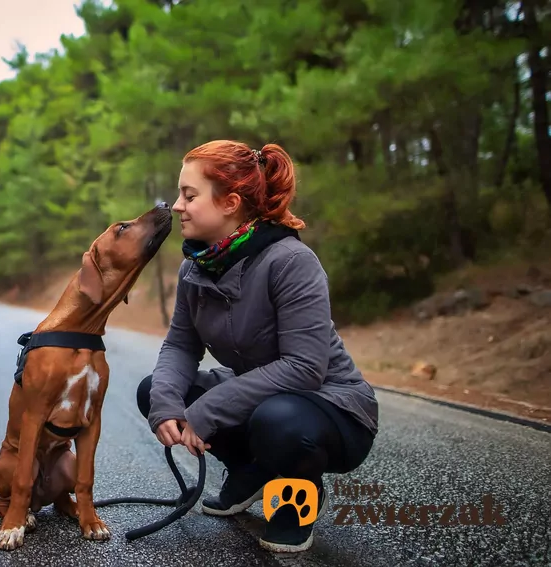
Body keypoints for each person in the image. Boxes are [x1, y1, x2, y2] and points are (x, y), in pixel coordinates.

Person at [135, 140, 379, 553]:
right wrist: (166, 405)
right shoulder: (196, 265)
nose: (177, 206)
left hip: (331, 407)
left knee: (276, 420)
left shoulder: (290, 261)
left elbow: (304, 368)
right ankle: (250, 471)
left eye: (189, 195)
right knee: (155, 389)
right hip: (263, 396)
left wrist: (207, 410)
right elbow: (180, 345)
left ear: (230, 202)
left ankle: (296, 499)